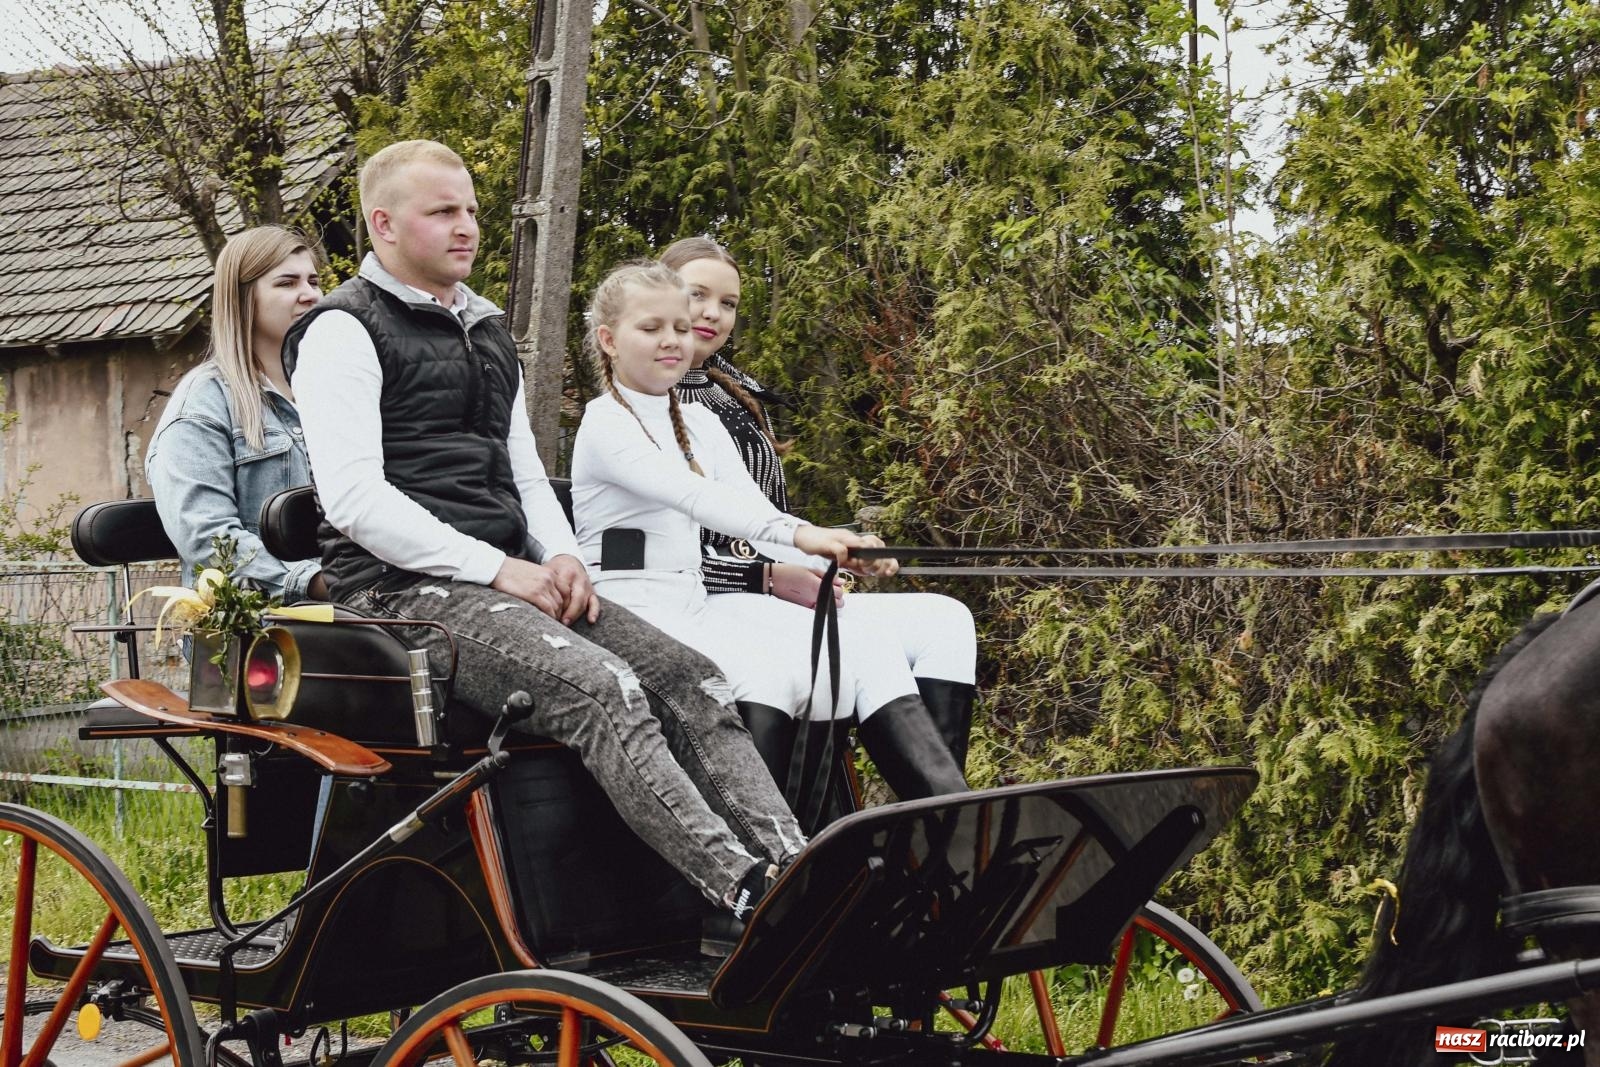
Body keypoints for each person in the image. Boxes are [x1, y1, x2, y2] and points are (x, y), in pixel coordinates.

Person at [283, 139, 804, 956]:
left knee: (689, 675)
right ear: (382, 224)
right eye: (444, 211)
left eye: (473, 210)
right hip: (394, 592)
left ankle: (797, 872)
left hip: (507, 578)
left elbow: (526, 472)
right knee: (603, 687)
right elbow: (354, 500)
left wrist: (561, 556)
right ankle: (739, 890)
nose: (468, 227)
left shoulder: (486, 328)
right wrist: (501, 568)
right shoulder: (341, 332)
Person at [570, 260, 967, 811]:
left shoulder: (700, 422)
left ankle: (942, 825)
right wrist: (808, 536)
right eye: (651, 329)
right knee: (773, 677)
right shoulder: (604, 424)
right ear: (609, 341)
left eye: (681, 330)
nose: (672, 342)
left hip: (694, 605)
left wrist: (842, 551)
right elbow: (701, 499)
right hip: (631, 612)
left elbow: (757, 514)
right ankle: (771, 856)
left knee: (832, 665)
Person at [659, 236, 979, 774]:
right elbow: (661, 555)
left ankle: (932, 837)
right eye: (698, 295)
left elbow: (760, 518)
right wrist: (769, 576)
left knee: (947, 621)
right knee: (866, 641)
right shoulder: (648, 409)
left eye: (729, 303)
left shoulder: (723, 395)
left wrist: (837, 550)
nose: (714, 313)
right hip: (711, 599)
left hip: (759, 583)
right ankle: (933, 829)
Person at [147, 225, 328, 602]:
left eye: (313, 280)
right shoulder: (203, 403)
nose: (309, 294)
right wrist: (311, 582)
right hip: (256, 626)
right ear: (245, 298)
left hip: (355, 606)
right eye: (287, 283)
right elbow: (207, 536)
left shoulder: (330, 392)